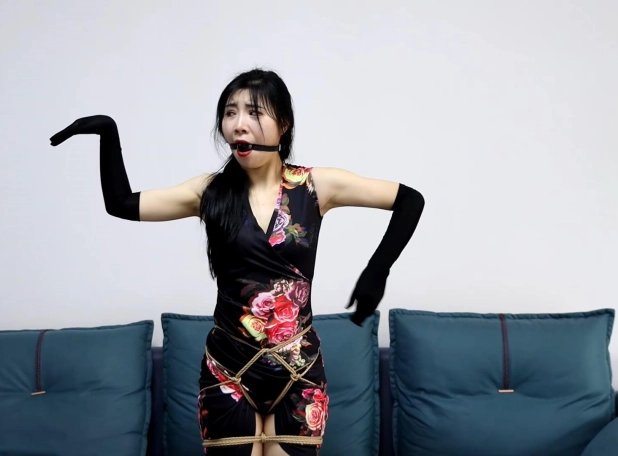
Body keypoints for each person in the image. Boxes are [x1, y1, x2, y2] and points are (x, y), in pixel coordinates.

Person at [49, 68, 425, 456]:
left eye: (254, 112)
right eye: (230, 113)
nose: (239, 124)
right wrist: (108, 133)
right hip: (227, 370)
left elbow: (409, 200)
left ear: (283, 125)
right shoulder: (209, 192)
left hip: (298, 370)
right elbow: (122, 204)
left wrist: (377, 270)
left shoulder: (315, 185)